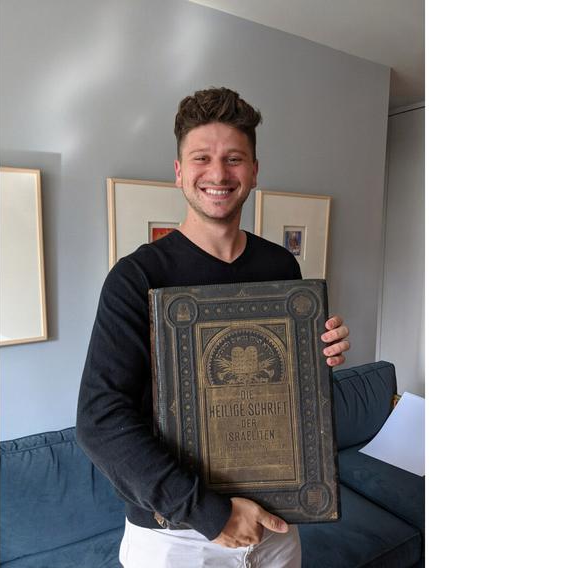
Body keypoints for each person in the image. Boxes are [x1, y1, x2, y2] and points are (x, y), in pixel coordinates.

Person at [76, 87, 351, 568]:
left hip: (277, 522)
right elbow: (101, 421)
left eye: (234, 159)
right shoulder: (136, 278)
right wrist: (211, 512)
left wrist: (321, 354)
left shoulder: (282, 266)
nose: (219, 174)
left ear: (255, 171)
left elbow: (290, 396)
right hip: (177, 537)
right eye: (202, 158)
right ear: (180, 171)